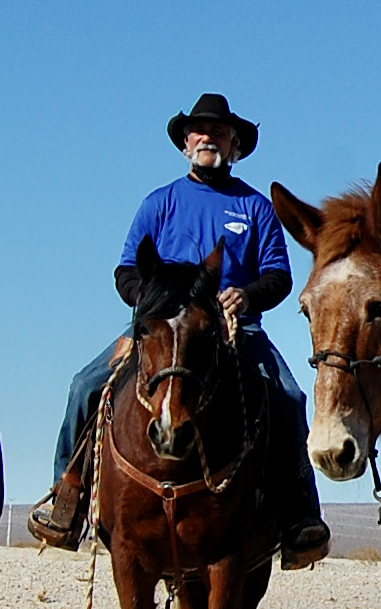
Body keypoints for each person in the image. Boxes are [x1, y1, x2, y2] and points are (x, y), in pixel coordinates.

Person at [28, 93, 329, 569]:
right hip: (161, 331)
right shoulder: (159, 203)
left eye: (219, 131)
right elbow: (125, 269)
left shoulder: (254, 207)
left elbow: (279, 275)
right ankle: (67, 498)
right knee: (84, 385)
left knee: (289, 398)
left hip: (234, 329)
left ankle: (299, 516)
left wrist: (246, 295)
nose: (208, 137)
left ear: (234, 145)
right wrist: (150, 301)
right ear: (186, 141)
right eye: (199, 130)